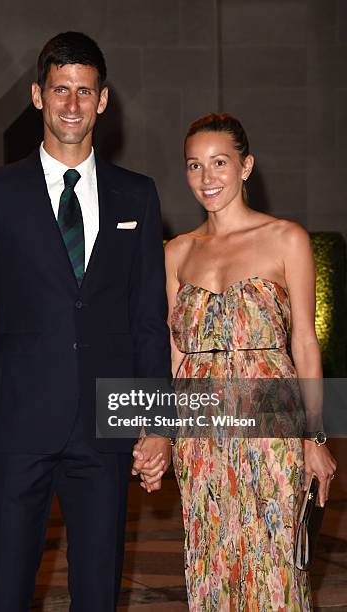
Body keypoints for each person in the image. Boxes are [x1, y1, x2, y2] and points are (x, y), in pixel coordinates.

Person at [0, 31, 172, 612]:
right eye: (60, 89)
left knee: (98, 595)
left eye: (84, 92)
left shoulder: (136, 195)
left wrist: (158, 423)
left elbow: (148, 320)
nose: (71, 104)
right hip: (18, 429)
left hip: (106, 431)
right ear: (38, 95)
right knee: (3, 594)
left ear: (103, 100)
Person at [162, 113, 337, 610]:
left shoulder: (286, 239)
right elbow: (175, 354)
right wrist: (163, 436)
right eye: (195, 166)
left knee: (276, 564)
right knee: (211, 562)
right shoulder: (177, 253)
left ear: (246, 167)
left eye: (219, 163)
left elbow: (304, 341)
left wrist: (314, 436)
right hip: (201, 437)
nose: (207, 178)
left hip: (272, 428)